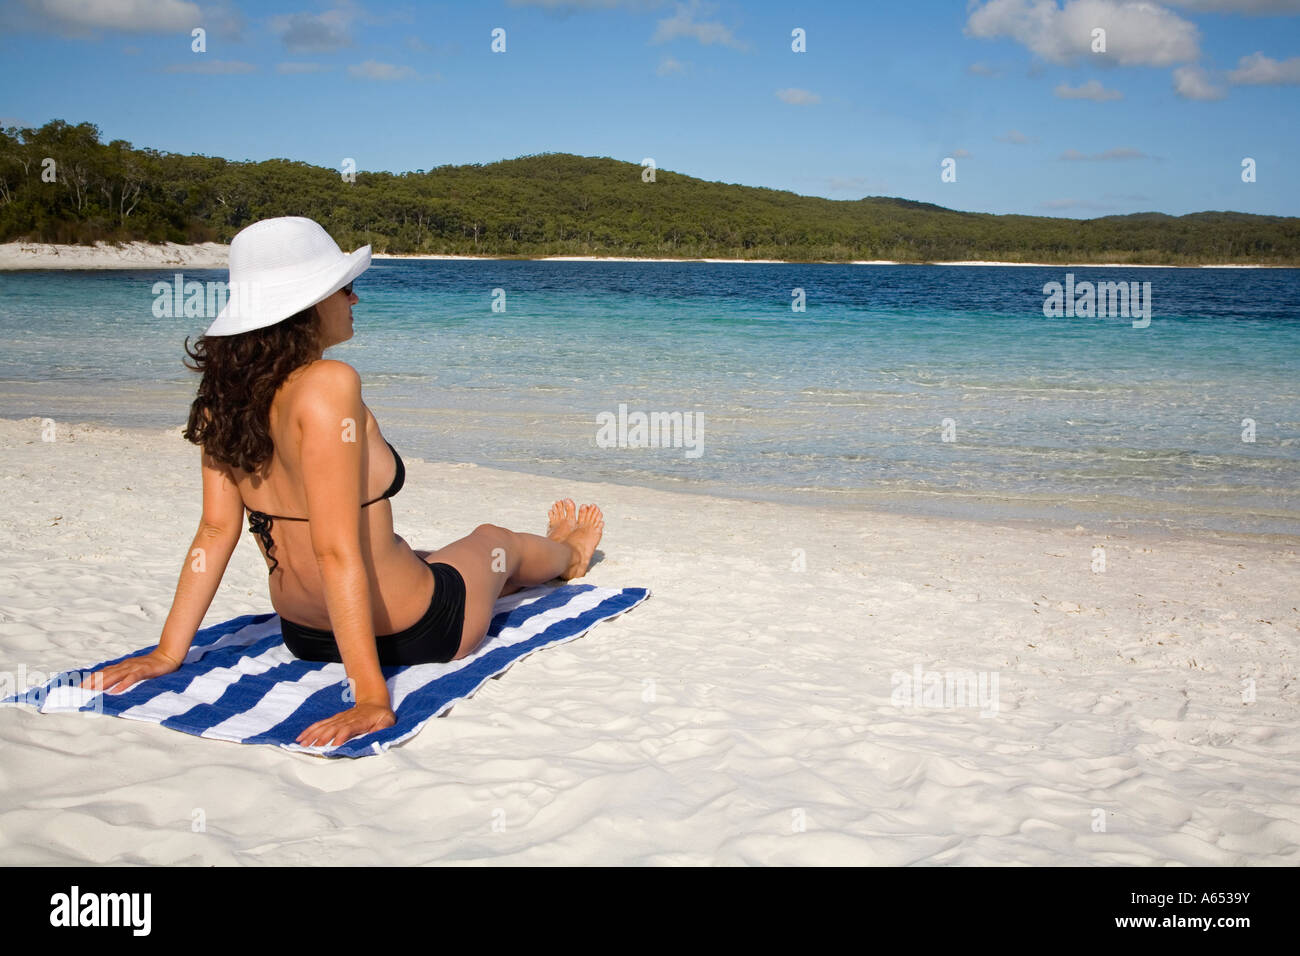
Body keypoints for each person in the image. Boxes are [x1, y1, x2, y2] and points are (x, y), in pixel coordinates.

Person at [81, 216, 603, 748]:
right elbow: (335, 549)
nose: (355, 300)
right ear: (306, 306)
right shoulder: (330, 385)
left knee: (425, 555)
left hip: (305, 635)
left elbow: (215, 534)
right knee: (495, 542)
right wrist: (370, 696)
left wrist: (168, 652)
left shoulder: (224, 399)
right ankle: (571, 555)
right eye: (346, 289)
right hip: (416, 630)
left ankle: (520, 567)